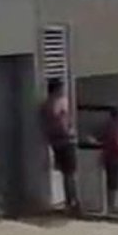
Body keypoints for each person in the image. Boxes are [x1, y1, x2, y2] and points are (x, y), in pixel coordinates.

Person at [41, 79, 80, 216]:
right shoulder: (58, 103)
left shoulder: (46, 104)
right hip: (65, 141)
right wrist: (70, 132)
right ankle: (73, 201)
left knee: (66, 173)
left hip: (55, 142)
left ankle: (70, 201)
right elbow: (61, 122)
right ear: (57, 89)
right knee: (70, 173)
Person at [100, 108, 118, 213]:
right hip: (115, 157)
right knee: (114, 182)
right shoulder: (116, 127)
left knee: (111, 182)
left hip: (109, 157)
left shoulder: (108, 126)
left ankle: (111, 205)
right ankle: (112, 206)